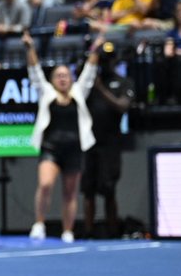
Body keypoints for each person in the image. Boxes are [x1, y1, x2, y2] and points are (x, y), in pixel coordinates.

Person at [23, 31, 106, 243]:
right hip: (51, 147)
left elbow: (89, 71)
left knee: (70, 192)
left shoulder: (79, 93)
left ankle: (67, 230)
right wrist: (29, 48)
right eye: (58, 76)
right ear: (52, 80)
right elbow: (34, 72)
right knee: (45, 184)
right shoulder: (47, 94)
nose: (62, 79)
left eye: (65, 75)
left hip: (74, 148)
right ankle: (39, 223)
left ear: (71, 79)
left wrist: (96, 48)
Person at [81, 47, 134, 238]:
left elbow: (123, 106)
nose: (104, 64)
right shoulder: (86, 84)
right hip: (89, 143)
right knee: (88, 191)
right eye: (102, 60)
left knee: (109, 189)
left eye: (108, 60)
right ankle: (88, 232)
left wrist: (100, 89)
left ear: (115, 61)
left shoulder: (123, 82)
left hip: (111, 143)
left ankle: (113, 232)